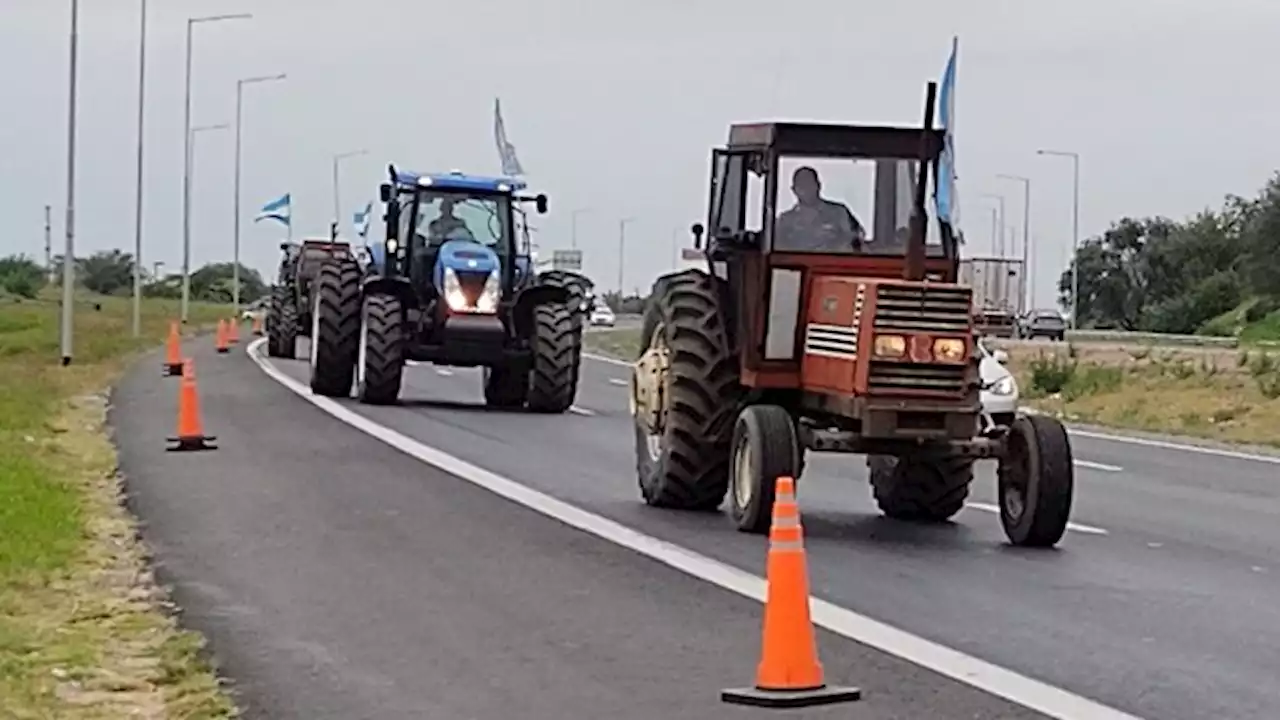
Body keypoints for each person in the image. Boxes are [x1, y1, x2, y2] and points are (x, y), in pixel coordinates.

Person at [775, 166, 866, 252]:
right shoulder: (784, 221)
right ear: (794, 190)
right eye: (801, 185)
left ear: (818, 185)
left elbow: (857, 238)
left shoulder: (839, 213)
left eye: (809, 184)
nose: (806, 189)